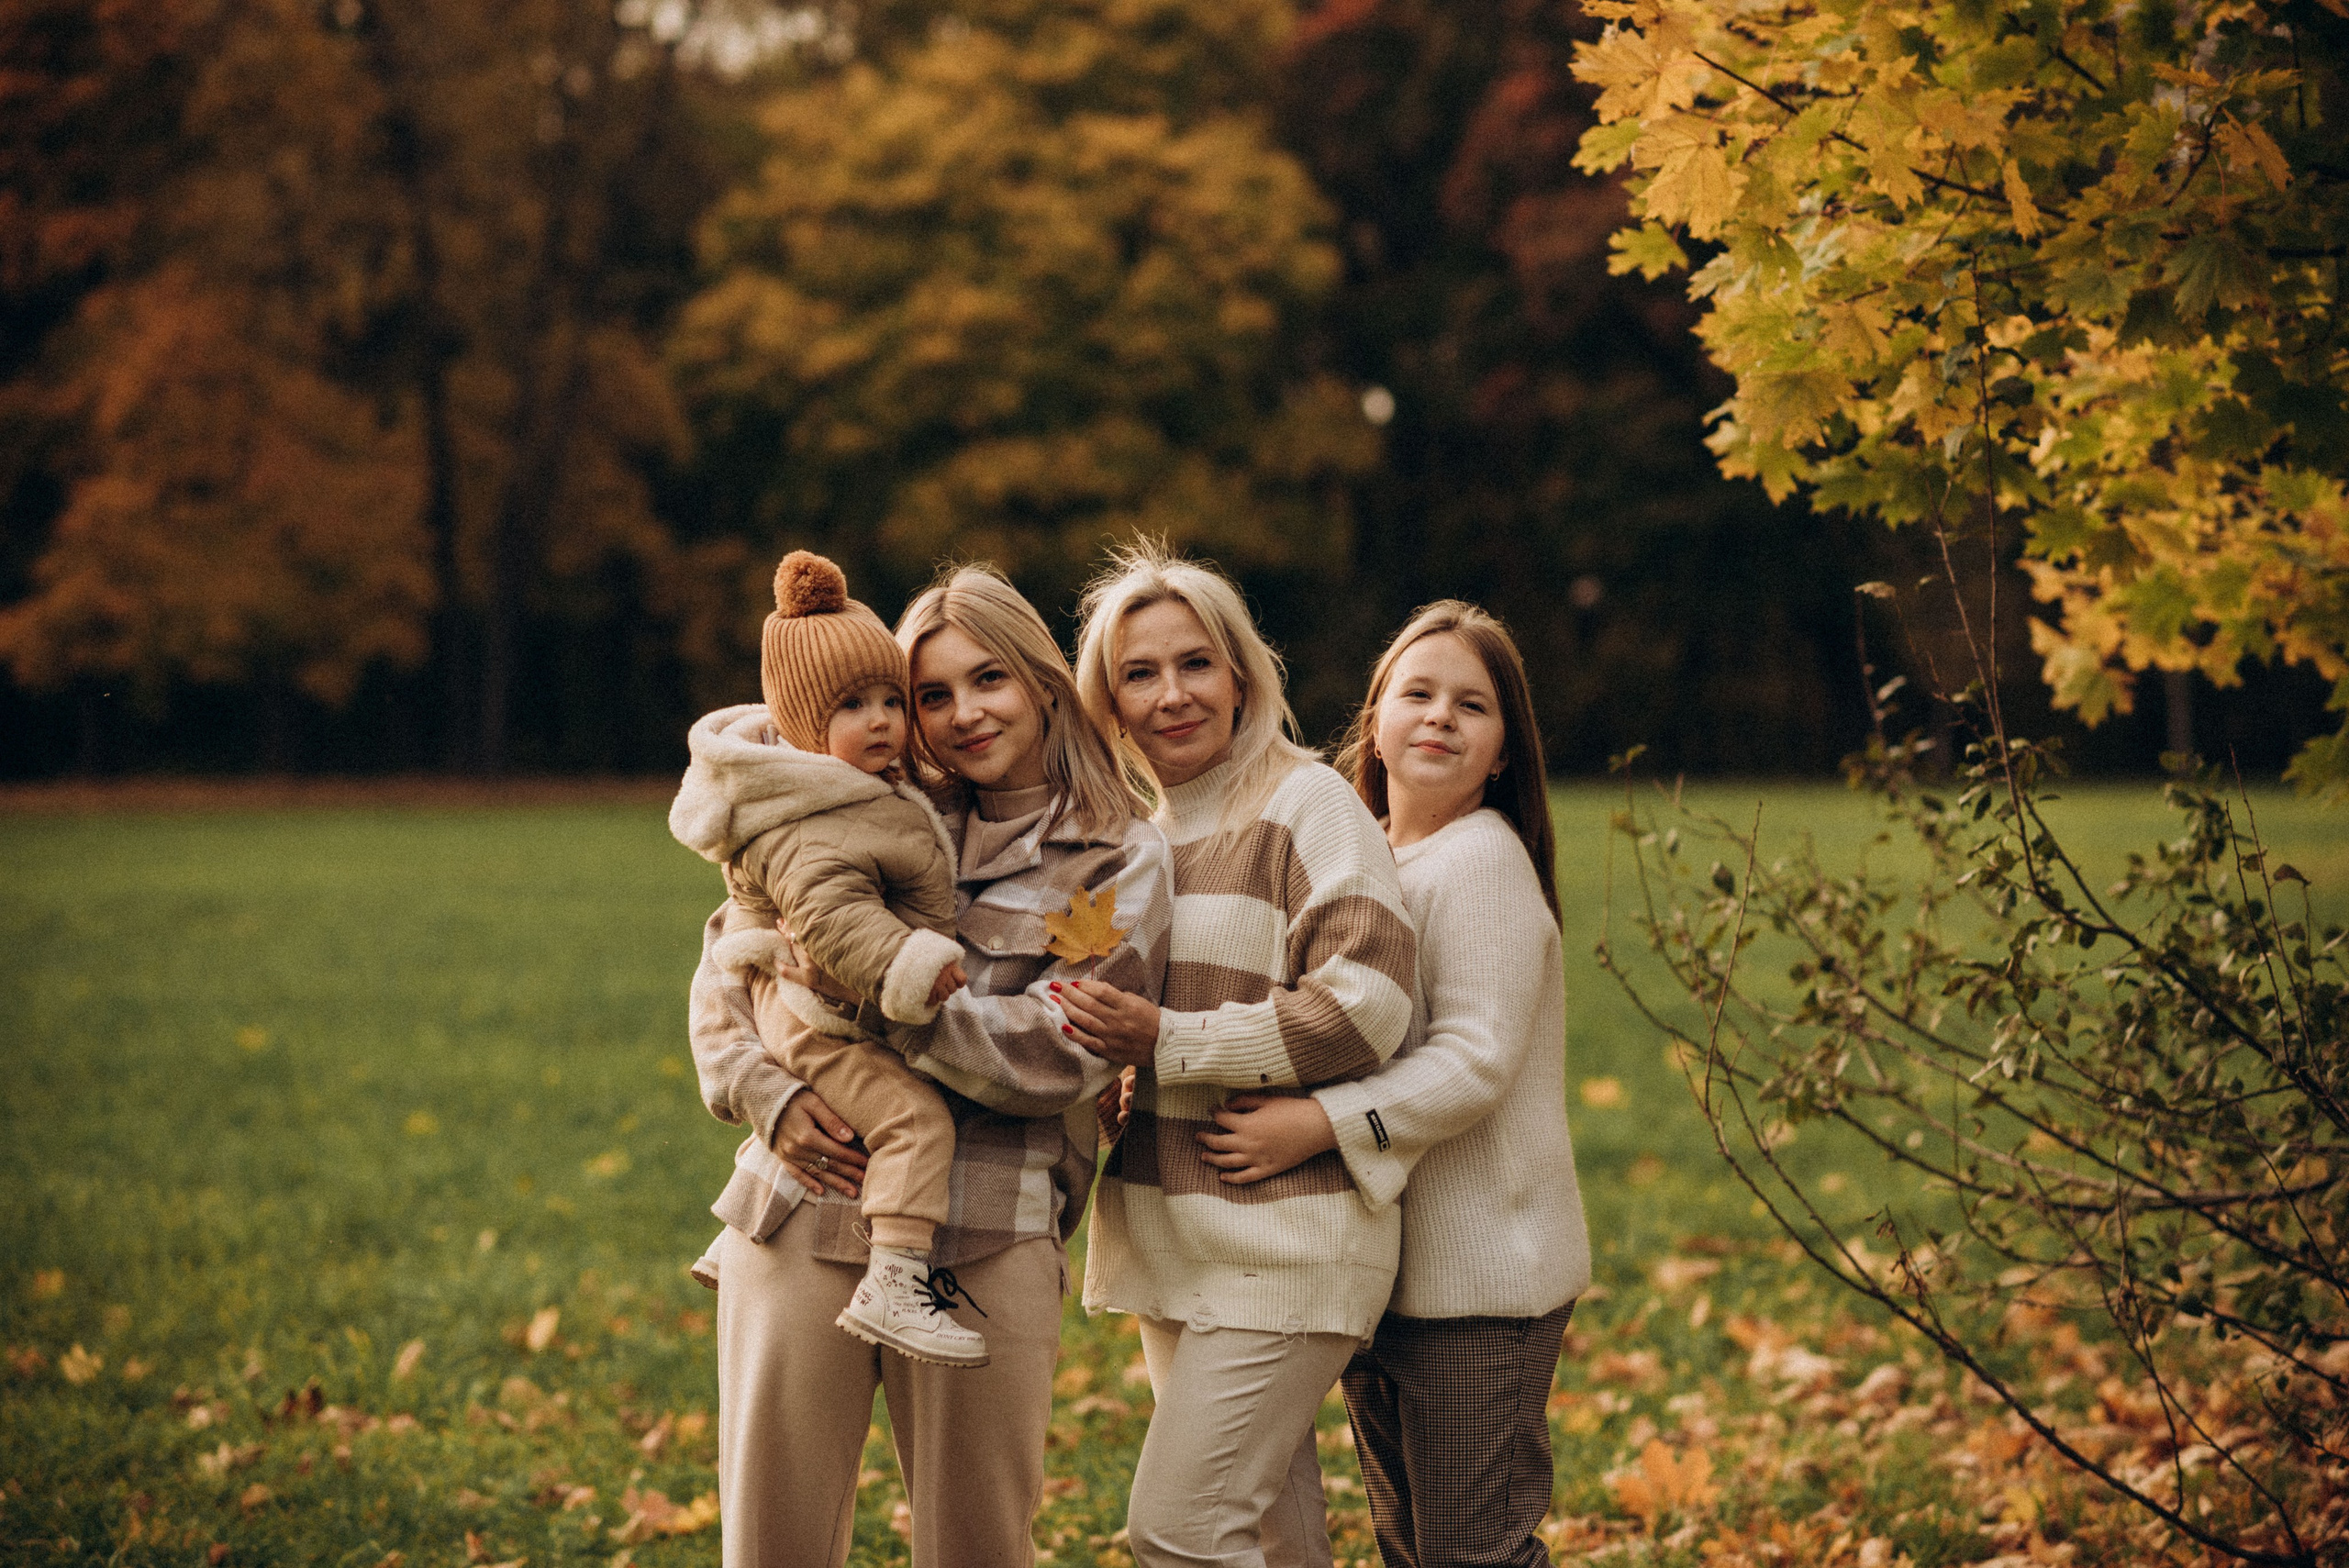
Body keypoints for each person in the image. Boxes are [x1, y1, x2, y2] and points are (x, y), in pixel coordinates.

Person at [686, 562, 1174, 1568]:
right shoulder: (855, 794)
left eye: (987, 679)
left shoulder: (1115, 853)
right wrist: (768, 1092)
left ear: (1043, 681)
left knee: (977, 1548)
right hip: (799, 1202)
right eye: (930, 693)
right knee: (769, 1543)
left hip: (988, 1224)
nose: (961, 714)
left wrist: (866, 1004)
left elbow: (1055, 1050)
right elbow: (730, 960)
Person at [1192, 601, 1591, 1568]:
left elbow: (1475, 1060)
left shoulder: (1481, 859)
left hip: (1480, 1281)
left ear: (1503, 751)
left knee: (1469, 1551)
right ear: (1374, 718)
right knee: (1413, 1543)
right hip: (1384, 1276)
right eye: (1416, 693)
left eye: (1472, 705)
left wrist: (1316, 1124)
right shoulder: (1364, 857)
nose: (1439, 717)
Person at [1055, 541, 1417, 1568]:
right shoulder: (1134, 840)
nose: (1172, 694)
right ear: (1106, 702)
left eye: (1195, 663)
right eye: (1139, 672)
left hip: (1287, 1243)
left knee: (1179, 1530)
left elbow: (1370, 1002)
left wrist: (1167, 1043)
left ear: (1242, 673)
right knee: (1271, 1532)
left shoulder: (1306, 805)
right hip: (1175, 1239)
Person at [671, 550, 982, 1367]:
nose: (882, 721)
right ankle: (897, 1279)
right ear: (807, 723)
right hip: (820, 1011)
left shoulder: (847, 786)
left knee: (850, 1120)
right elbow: (834, 920)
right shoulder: (817, 817)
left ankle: (741, 1226)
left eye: (891, 700)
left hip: (806, 1005)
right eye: (853, 705)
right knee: (912, 1121)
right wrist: (911, 965)